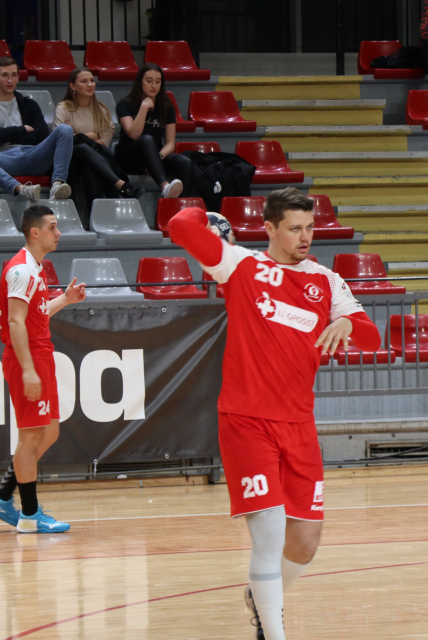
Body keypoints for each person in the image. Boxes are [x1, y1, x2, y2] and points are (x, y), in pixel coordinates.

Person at [167, 188, 382, 640]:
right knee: (268, 532)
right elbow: (181, 225)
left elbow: (371, 338)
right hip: (246, 420)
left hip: (299, 424)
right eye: (294, 228)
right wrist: (206, 212)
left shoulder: (326, 281)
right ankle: (273, 630)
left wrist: (347, 320)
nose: (305, 237)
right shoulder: (240, 265)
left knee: (304, 543)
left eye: (310, 228)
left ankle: (263, 598)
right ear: (269, 228)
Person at [0, 204, 87, 534]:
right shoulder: (22, 270)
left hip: (40, 355)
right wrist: (27, 369)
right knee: (30, 437)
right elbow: (15, 322)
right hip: (28, 358)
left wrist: (65, 299)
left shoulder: (35, 268)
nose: (59, 232)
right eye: (53, 227)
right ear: (35, 232)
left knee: (49, 432)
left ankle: (3, 495)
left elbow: (34, 315)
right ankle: (28, 515)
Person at [0, 57, 73, 202]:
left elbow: (42, 133)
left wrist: (4, 137)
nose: (10, 80)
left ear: (18, 77)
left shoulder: (29, 104)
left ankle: (57, 184)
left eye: (13, 75)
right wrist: (24, 129)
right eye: (5, 75)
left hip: (34, 155)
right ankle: (21, 188)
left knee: (65, 129)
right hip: (5, 158)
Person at [54, 67, 142, 201]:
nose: (90, 84)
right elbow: (62, 141)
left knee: (89, 167)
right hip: (70, 160)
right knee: (81, 148)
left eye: (92, 81)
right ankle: (121, 185)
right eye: (84, 81)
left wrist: (77, 135)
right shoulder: (63, 108)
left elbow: (105, 142)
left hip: (94, 159)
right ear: (72, 86)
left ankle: (95, 214)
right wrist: (92, 135)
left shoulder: (101, 110)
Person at [115, 62, 194, 199]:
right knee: (146, 139)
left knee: (185, 162)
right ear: (140, 82)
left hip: (156, 156)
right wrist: (144, 107)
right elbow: (134, 134)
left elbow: (170, 143)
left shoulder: (166, 107)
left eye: (158, 82)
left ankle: (182, 206)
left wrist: (157, 158)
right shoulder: (125, 104)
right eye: (149, 81)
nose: (154, 86)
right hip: (129, 157)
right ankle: (165, 186)